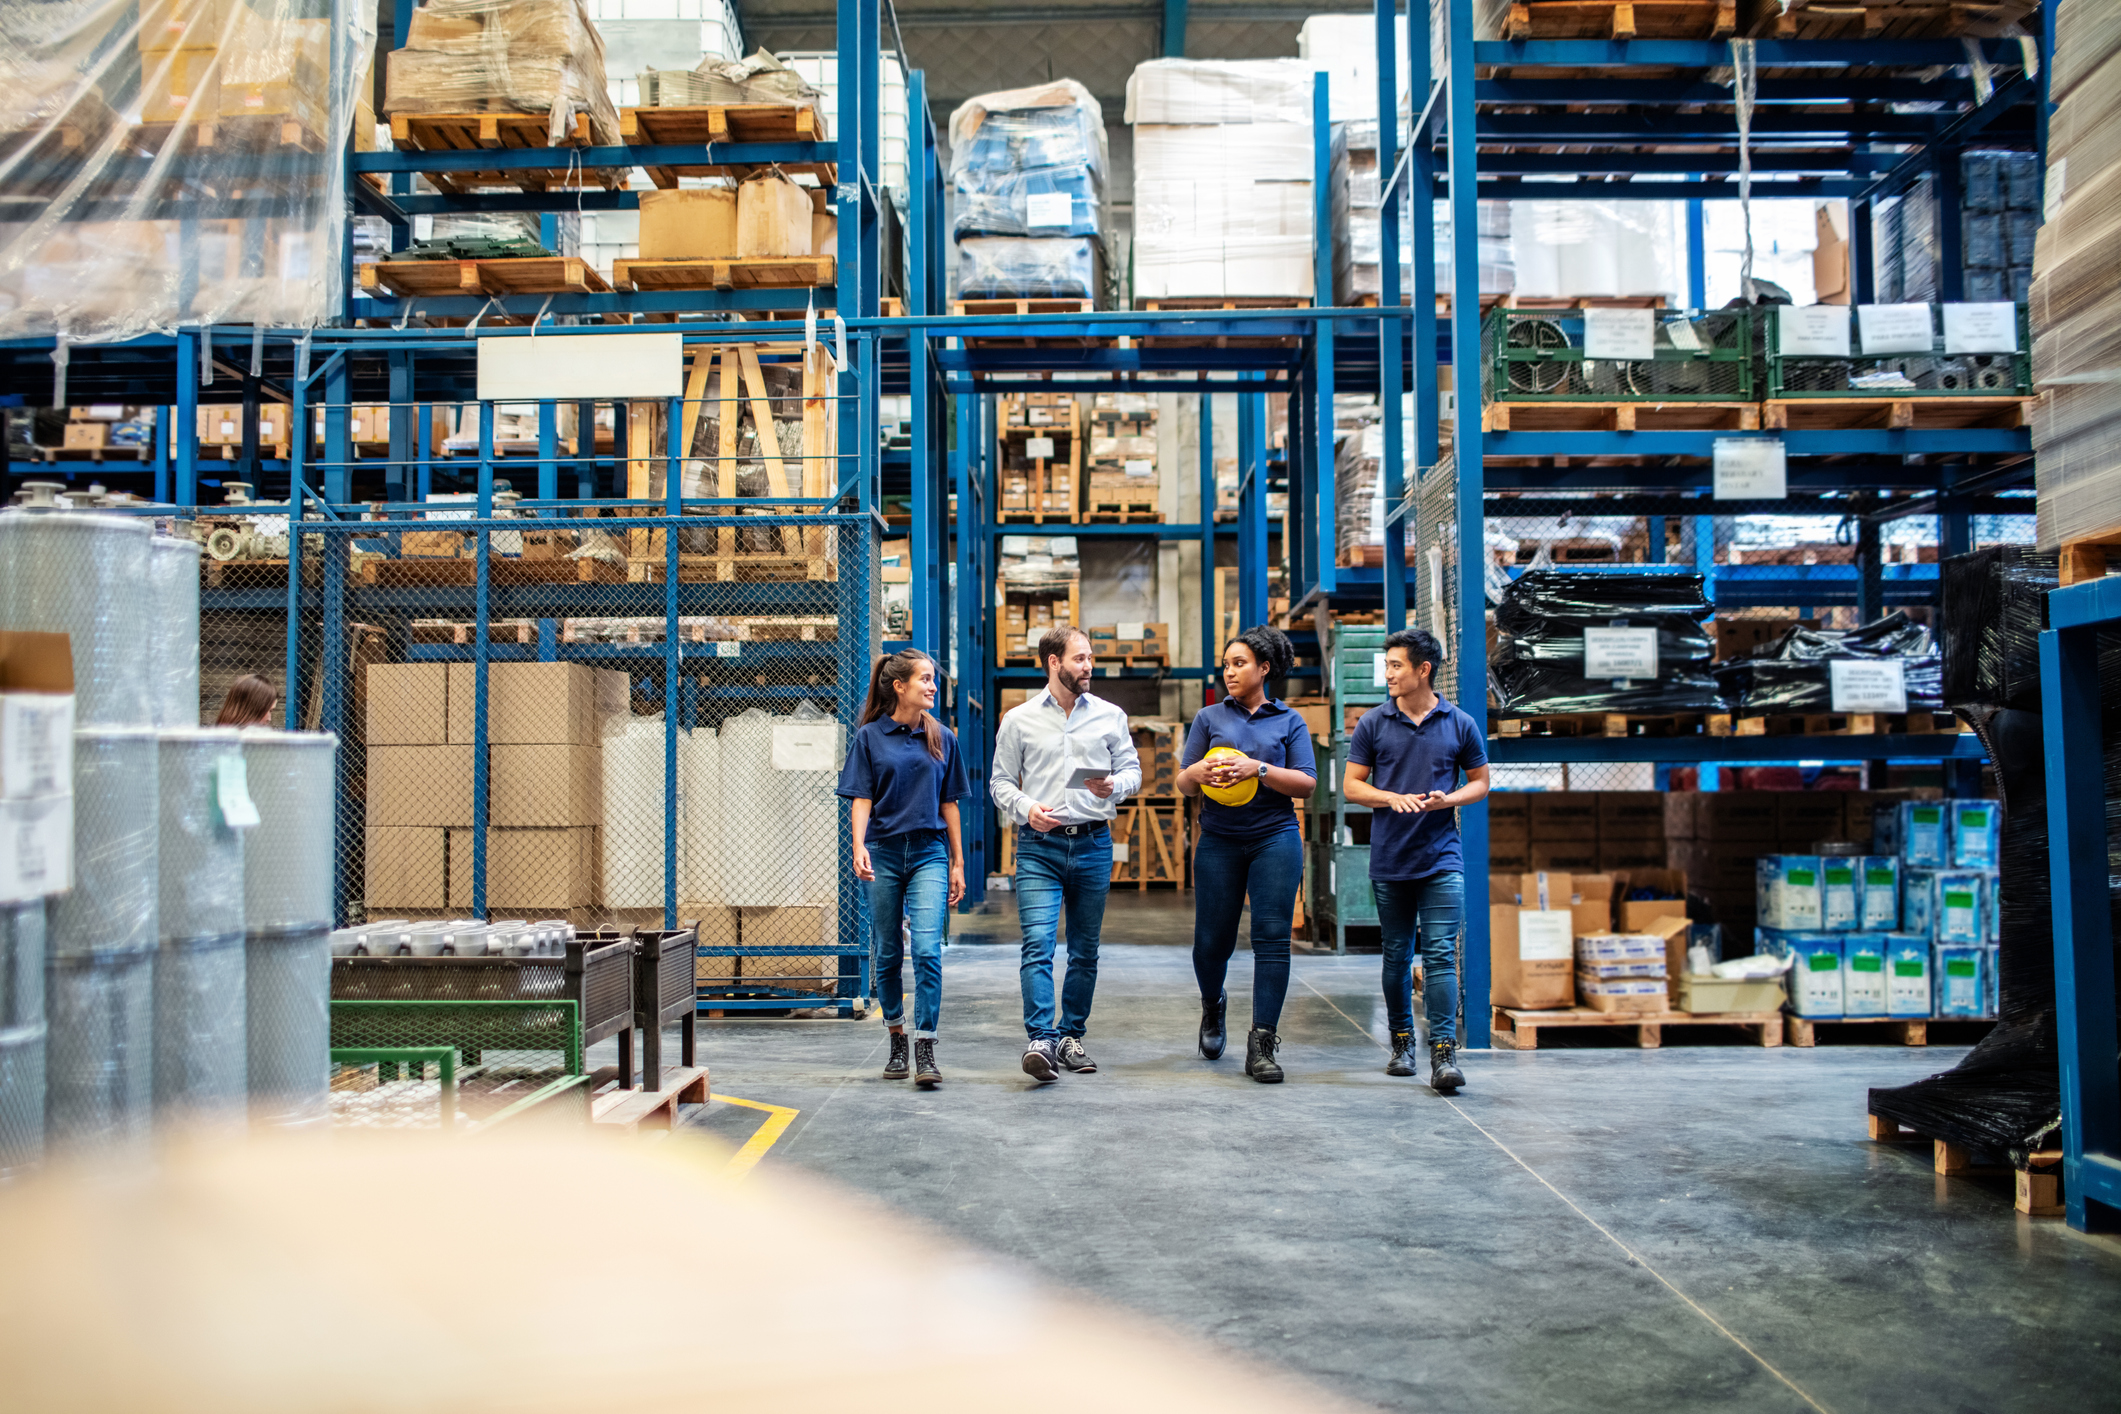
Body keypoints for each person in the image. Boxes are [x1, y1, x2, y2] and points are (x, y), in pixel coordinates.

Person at [1342, 627, 1490, 1094]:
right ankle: (1402, 1042)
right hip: (1391, 858)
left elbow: (1481, 782)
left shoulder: (1459, 723)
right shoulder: (1373, 723)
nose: (1387, 673)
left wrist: (1450, 800)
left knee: (1442, 954)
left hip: (1442, 857)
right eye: (1386, 665)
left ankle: (1443, 1052)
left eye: (1396, 665)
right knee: (1397, 954)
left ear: (1423, 670)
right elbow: (1352, 786)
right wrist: (1390, 798)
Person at [990, 624, 1140, 1083]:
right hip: (1039, 847)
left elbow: (1133, 771)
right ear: (1054, 663)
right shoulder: (1019, 720)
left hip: (1094, 843)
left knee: (1084, 949)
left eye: (1090, 658)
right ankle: (1041, 1039)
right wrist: (1026, 808)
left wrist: (1115, 784)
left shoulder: (1110, 715)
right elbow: (999, 783)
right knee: (1037, 944)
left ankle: (1072, 1035)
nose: (1088, 666)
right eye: (1079, 659)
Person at [1178, 626, 1316, 1083]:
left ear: (1265, 668)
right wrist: (1196, 771)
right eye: (1226, 664)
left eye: (1239, 664)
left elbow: (1307, 783)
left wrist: (1257, 767)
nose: (1229, 671)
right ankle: (1213, 1005)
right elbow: (1182, 782)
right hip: (1219, 839)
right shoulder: (1208, 718)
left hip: (1274, 836)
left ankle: (1262, 1043)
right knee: (1211, 942)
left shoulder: (1289, 721)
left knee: (1272, 938)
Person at [838, 649, 969, 1089]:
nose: (933, 687)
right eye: (926, 679)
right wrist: (858, 845)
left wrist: (958, 862)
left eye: (932, 680)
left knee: (928, 951)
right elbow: (861, 798)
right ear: (900, 686)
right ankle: (896, 1035)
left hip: (930, 851)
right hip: (885, 853)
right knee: (888, 950)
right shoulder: (870, 738)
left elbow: (949, 804)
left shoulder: (942, 737)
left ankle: (925, 1045)